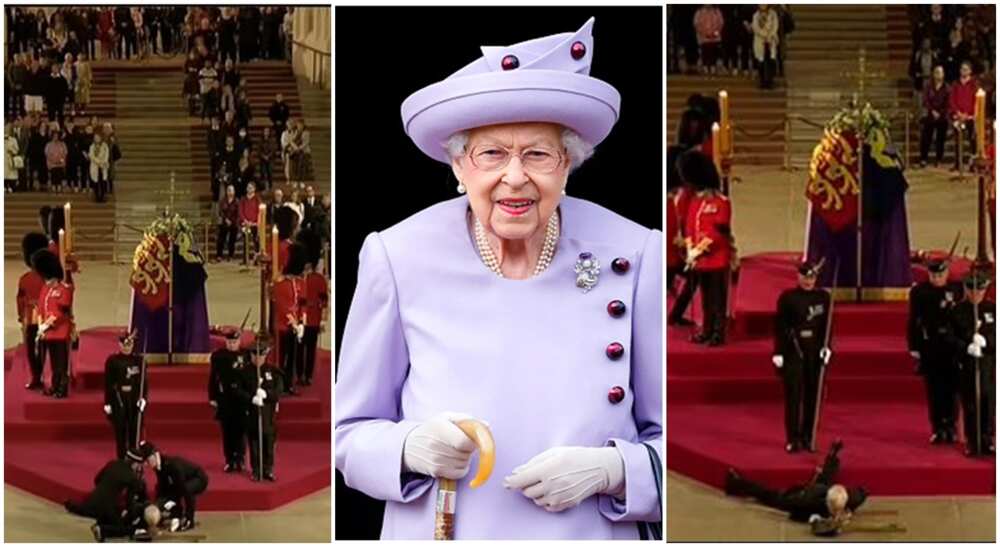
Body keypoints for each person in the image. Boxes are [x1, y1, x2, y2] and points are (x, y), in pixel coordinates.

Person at [336, 18, 662, 539]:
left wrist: (617, 471)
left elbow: (673, 438)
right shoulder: (395, 255)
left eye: (538, 153)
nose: (515, 177)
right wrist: (405, 448)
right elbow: (348, 433)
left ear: (569, 163)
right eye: (491, 154)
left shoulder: (637, 253)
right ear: (459, 165)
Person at [725, 440, 869, 530]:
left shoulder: (808, 505)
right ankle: (832, 456)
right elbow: (863, 493)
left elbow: (794, 514)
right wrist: (848, 514)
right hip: (814, 491)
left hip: (806, 497)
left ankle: (735, 483)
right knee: (825, 477)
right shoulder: (851, 498)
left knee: (768, 494)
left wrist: (814, 520)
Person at [772, 259, 833, 453]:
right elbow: (780, 327)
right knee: (793, 397)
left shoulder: (824, 297)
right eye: (805, 277)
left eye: (812, 277)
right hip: (794, 352)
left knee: (812, 397)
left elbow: (827, 326)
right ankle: (793, 438)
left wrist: (827, 346)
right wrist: (778, 352)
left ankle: (808, 436)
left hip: (815, 353)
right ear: (798, 276)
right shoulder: (787, 298)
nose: (808, 281)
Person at [678, 150, 732, 345]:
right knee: (706, 300)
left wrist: (697, 251)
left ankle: (718, 332)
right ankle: (707, 329)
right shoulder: (695, 202)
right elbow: (690, 228)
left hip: (717, 259)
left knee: (718, 300)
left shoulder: (722, 202)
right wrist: (690, 250)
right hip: (701, 261)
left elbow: (718, 233)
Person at [907, 255, 963, 443]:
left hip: (952, 346)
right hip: (931, 345)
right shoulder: (920, 292)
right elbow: (914, 320)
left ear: (947, 273)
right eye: (933, 275)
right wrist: (914, 346)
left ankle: (951, 425)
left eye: (940, 275)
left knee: (953, 388)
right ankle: (938, 427)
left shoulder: (956, 289)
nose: (936, 279)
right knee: (934, 389)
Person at [948, 271, 995, 457]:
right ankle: (973, 441)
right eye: (972, 290)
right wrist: (966, 346)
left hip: (989, 365)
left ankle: (987, 439)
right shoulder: (957, 311)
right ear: (966, 290)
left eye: (980, 290)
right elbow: (950, 338)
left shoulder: (993, 309)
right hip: (966, 364)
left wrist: (987, 342)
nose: (976, 294)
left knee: (988, 403)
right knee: (971, 403)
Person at [64, 453, 150, 542]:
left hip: (93, 500)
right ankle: (103, 530)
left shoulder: (112, 463)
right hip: (107, 508)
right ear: (135, 464)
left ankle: (75, 508)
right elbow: (129, 503)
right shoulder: (132, 477)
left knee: (106, 511)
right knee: (122, 527)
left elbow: (97, 479)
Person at [239, 334, 283, 481]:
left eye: (261, 356)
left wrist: (266, 394)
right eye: (255, 356)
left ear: (265, 356)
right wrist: (252, 398)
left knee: (268, 443)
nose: (257, 359)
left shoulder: (273, 372)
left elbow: (278, 391)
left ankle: (268, 469)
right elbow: (239, 391)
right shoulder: (245, 372)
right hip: (251, 413)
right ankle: (256, 470)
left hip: (268, 414)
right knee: (254, 443)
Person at [137, 441, 208, 530]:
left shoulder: (173, 465)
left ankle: (189, 520)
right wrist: (158, 506)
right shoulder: (159, 467)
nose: (146, 464)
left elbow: (180, 490)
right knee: (165, 493)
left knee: (187, 489)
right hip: (183, 483)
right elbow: (163, 488)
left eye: (147, 460)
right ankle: (176, 514)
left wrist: (178, 513)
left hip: (199, 478)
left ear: (154, 455)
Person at [33, 249, 73, 398]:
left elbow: (62, 313)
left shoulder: (64, 290)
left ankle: (62, 388)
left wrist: (47, 325)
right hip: (48, 333)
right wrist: (40, 326)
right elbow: (40, 307)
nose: (46, 281)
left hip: (60, 332)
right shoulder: (45, 288)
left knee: (61, 363)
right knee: (53, 363)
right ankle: (54, 386)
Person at [103, 330, 147, 459]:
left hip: (134, 399)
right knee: (121, 432)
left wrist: (144, 398)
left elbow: (144, 382)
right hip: (119, 399)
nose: (127, 347)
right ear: (119, 344)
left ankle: (134, 459)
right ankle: (121, 459)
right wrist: (107, 402)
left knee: (135, 431)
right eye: (124, 344)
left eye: (130, 344)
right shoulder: (112, 361)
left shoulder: (139, 360)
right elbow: (108, 383)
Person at [209, 328, 247, 472]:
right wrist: (212, 396)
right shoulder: (219, 356)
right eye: (229, 342)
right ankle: (230, 460)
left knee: (241, 431)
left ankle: (240, 459)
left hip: (241, 399)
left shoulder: (245, 355)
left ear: (239, 341)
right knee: (227, 431)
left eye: (234, 342)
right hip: (225, 398)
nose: (232, 345)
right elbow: (213, 378)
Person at [272, 242, 307, 393]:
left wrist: (302, 322)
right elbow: (283, 306)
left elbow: (301, 303)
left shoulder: (298, 282)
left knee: (291, 358)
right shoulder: (281, 283)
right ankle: (279, 384)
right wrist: (294, 324)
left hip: (294, 326)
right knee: (282, 357)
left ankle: (288, 383)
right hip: (283, 325)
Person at [18, 233, 49, 390]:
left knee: (32, 348)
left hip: (34, 317)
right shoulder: (44, 278)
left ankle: (36, 376)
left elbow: (20, 299)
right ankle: (38, 375)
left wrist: (19, 316)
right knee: (39, 347)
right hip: (38, 316)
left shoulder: (25, 278)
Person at [297, 229, 327, 386]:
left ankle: (308, 374)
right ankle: (300, 373)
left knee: (310, 348)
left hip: (314, 315)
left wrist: (323, 319)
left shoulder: (319, 279)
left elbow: (324, 301)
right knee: (300, 347)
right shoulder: (299, 278)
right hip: (300, 317)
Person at [949, 61, 978, 171]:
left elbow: (976, 100)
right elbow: (952, 100)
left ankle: (973, 164)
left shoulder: (974, 84)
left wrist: (968, 114)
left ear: (970, 71)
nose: (964, 71)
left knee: (973, 141)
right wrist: (957, 112)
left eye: (966, 69)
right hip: (958, 116)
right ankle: (958, 163)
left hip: (970, 116)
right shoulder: (955, 84)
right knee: (957, 141)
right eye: (962, 69)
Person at [919, 65, 950, 168]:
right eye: (936, 72)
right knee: (926, 138)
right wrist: (932, 110)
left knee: (940, 139)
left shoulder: (947, 87)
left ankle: (939, 159)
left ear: (943, 74)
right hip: (930, 115)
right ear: (933, 74)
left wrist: (940, 112)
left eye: (940, 72)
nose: (938, 74)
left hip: (942, 116)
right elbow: (925, 100)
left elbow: (948, 103)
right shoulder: (928, 86)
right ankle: (923, 158)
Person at [752, 4, 780, 89]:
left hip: (770, 40)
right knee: (761, 62)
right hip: (760, 40)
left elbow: (775, 26)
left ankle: (770, 81)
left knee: (771, 62)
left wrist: (769, 35)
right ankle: (762, 81)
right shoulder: (756, 15)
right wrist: (763, 35)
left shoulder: (773, 14)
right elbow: (755, 27)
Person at [694, 4, 724, 75]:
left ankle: (713, 67)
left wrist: (715, 33)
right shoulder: (699, 12)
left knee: (713, 52)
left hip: (715, 37)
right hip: (703, 37)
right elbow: (697, 24)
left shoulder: (717, 11)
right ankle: (705, 67)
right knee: (705, 52)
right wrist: (704, 33)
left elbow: (720, 23)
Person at [216, 184, 239, 262]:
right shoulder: (223, 200)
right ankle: (219, 255)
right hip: (224, 222)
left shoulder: (237, 201)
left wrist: (231, 221)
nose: (230, 192)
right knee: (221, 239)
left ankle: (231, 255)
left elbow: (238, 213)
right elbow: (220, 211)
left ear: (234, 191)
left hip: (233, 223)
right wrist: (226, 219)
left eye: (231, 190)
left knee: (232, 241)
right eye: (228, 190)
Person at [45, 126, 68, 193]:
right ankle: (54, 185)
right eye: (54, 136)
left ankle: (59, 185)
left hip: (60, 163)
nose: (56, 137)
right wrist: (53, 160)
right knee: (54, 171)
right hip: (52, 163)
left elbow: (65, 154)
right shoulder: (48, 145)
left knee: (59, 170)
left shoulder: (62, 144)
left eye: (57, 136)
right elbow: (47, 154)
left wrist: (60, 160)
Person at [88, 130, 110, 202]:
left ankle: (103, 196)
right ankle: (97, 196)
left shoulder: (105, 145)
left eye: (98, 137)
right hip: (95, 166)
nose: (96, 139)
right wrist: (98, 162)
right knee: (95, 182)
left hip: (103, 166)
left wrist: (103, 162)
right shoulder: (92, 146)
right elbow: (91, 155)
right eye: (95, 137)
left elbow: (107, 155)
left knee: (103, 181)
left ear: (101, 138)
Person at [5, 124, 21, 193]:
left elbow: (17, 150)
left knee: (11, 175)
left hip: (10, 161)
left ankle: (12, 187)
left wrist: (12, 150)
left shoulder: (13, 140)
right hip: (3, 161)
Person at [258, 126, 274, 190]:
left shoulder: (272, 140)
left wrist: (268, 156)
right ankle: (263, 187)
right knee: (263, 173)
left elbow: (273, 150)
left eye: (267, 131)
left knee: (269, 172)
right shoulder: (260, 140)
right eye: (265, 131)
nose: (266, 133)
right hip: (262, 159)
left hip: (270, 159)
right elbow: (259, 150)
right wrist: (263, 156)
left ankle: (270, 186)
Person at [75, 51, 91, 116]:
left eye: (82, 56)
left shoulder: (86, 64)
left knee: (84, 97)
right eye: (79, 56)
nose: (80, 57)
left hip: (84, 81)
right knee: (76, 96)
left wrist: (89, 81)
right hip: (76, 82)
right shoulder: (75, 64)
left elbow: (89, 73)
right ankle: (76, 109)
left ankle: (83, 109)